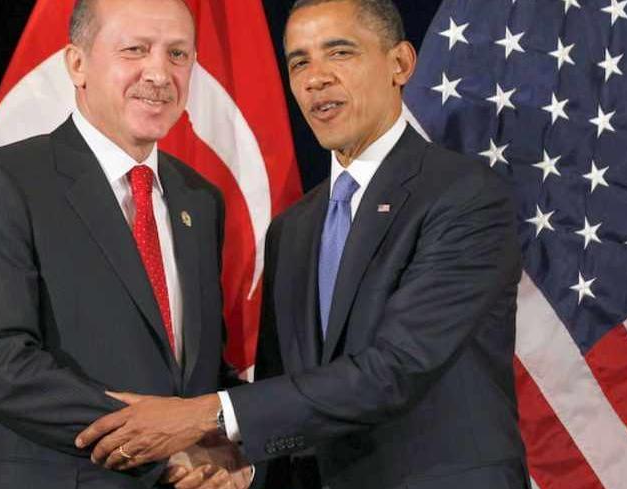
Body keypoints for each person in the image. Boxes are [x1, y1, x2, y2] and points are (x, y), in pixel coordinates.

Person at [76, 0, 530, 488]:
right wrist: (240, 465)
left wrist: (202, 414)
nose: (316, 78)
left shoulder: (465, 197)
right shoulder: (293, 227)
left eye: (340, 53)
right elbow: (284, 387)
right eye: (299, 62)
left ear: (399, 64)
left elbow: (395, 369)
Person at [0, 0, 251, 487]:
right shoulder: (3, 182)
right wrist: (162, 442)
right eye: (135, 50)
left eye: (178, 55)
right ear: (77, 63)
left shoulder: (201, 200)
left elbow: (201, 372)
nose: (159, 73)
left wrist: (236, 453)